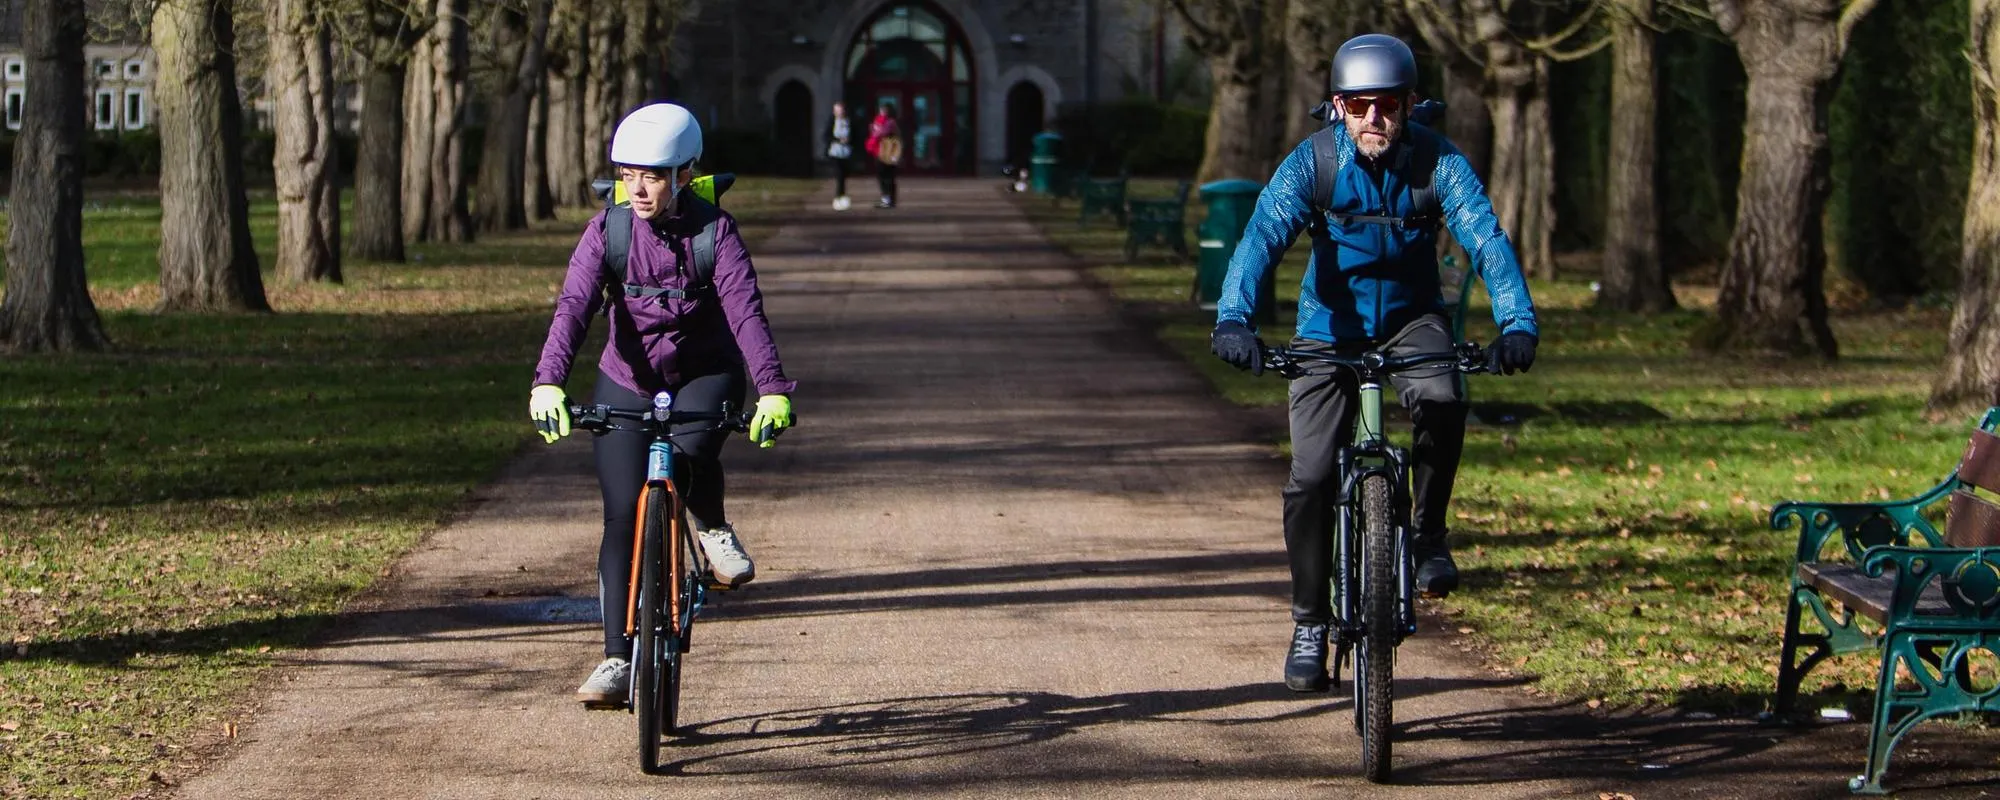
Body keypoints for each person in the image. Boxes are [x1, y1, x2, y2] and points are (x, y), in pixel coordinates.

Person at [1207, 34, 1539, 694]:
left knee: (1443, 400)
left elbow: (1486, 240)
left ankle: (1428, 536)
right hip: (1328, 327)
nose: (1373, 120)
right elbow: (1261, 235)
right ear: (1337, 107)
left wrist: (1517, 323)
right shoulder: (1314, 164)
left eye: (1387, 106)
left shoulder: (1440, 165)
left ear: (1411, 106)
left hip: (1412, 320)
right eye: (1358, 107)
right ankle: (1308, 620)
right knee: (1308, 477)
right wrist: (1233, 318)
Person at [528, 102, 798, 707]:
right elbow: (572, 307)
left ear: (684, 174)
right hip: (627, 377)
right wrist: (548, 381)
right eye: (628, 174)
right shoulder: (609, 231)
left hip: (706, 373)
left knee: (690, 451)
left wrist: (773, 390)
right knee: (623, 510)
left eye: (653, 175)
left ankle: (712, 526)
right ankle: (617, 659)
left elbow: (746, 313)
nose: (639, 188)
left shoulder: (715, 233)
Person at [865, 101, 902, 209]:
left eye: (884, 110)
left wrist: (877, 130)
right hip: (880, 152)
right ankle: (886, 199)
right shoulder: (878, 121)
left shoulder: (891, 123)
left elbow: (883, 133)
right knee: (883, 177)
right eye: (881, 110)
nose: (882, 112)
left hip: (888, 153)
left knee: (888, 177)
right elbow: (875, 133)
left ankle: (889, 199)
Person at [825, 101, 854, 211]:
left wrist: (849, 140)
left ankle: (842, 195)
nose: (840, 113)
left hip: (846, 152)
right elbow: (826, 136)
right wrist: (838, 140)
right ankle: (839, 197)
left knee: (844, 174)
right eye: (837, 111)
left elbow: (856, 135)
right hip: (835, 152)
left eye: (841, 110)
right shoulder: (832, 122)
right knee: (839, 174)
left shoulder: (849, 121)